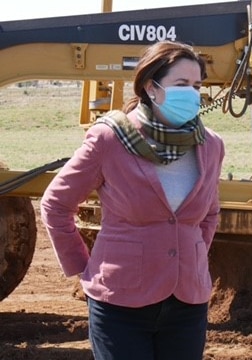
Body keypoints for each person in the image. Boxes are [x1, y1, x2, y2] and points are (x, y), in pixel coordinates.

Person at [40, 40, 225, 360]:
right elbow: (56, 205)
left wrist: (189, 257)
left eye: (197, 85)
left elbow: (209, 215)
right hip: (119, 303)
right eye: (181, 84)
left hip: (188, 305)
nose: (192, 94)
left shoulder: (211, 145)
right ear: (151, 88)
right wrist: (83, 268)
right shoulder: (110, 138)